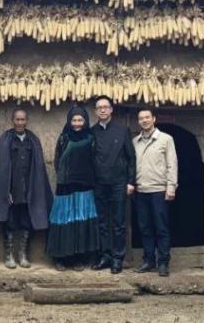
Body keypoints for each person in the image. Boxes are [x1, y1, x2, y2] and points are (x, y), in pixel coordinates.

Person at [0, 108, 53, 269]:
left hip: (29, 189)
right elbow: (2, 167)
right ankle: (9, 255)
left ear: (26, 121)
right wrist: (6, 190)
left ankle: (23, 255)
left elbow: (38, 167)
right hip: (12, 189)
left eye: (23, 119)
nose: (20, 123)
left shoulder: (33, 140)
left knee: (26, 221)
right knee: (10, 221)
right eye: (17, 119)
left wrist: (35, 189)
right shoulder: (6, 139)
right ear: (12, 120)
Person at [47, 105, 101, 270]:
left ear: (85, 121)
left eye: (80, 120)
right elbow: (57, 160)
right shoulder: (64, 138)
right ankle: (60, 258)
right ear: (69, 122)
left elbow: (94, 160)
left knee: (80, 221)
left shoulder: (91, 138)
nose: (77, 124)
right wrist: (65, 177)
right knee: (64, 220)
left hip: (85, 186)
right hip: (66, 187)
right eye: (74, 120)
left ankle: (78, 257)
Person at [90, 95, 136, 274]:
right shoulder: (92, 132)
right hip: (99, 183)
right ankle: (105, 256)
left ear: (111, 110)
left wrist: (130, 181)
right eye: (99, 107)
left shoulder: (122, 130)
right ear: (96, 111)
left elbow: (131, 158)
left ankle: (118, 258)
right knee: (102, 222)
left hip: (118, 183)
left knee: (118, 223)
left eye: (105, 107)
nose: (102, 110)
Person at [132, 107, 178, 277]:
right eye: (141, 118)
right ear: (138, 121)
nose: (144, 120)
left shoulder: (165, 139)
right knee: (145, 228)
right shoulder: (135, 141)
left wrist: (171, 187)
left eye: (147, 117)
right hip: (141, 190)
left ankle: (163, 262)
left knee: (161, 227)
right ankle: (149, 260)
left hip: (159, 190)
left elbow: (172, 164)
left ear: (154, 119)